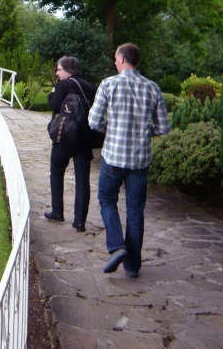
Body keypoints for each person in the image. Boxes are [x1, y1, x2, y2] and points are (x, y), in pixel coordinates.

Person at [88, 43, 169, 278]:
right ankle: (132, 266)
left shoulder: (109, 84)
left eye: (115, 58)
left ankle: (117, 246)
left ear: (123, 60)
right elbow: (163, 128)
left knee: (106, 200)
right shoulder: (153, 88)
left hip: (113, 156)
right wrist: (144, 130)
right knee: (135, 211)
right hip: (140, 160)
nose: (114, 62)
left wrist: (110, 128)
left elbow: (93, 121)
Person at [45, 56, 97, 232]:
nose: (57, 73)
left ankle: (57, 212)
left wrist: (52, 93)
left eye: (59, 69)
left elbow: (55, 106)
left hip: (66, 137)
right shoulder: (90, 87)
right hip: (86, 138)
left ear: (67, 70)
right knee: (83, 179)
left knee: (56, 171)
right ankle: (80, 221)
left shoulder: (64, 85)